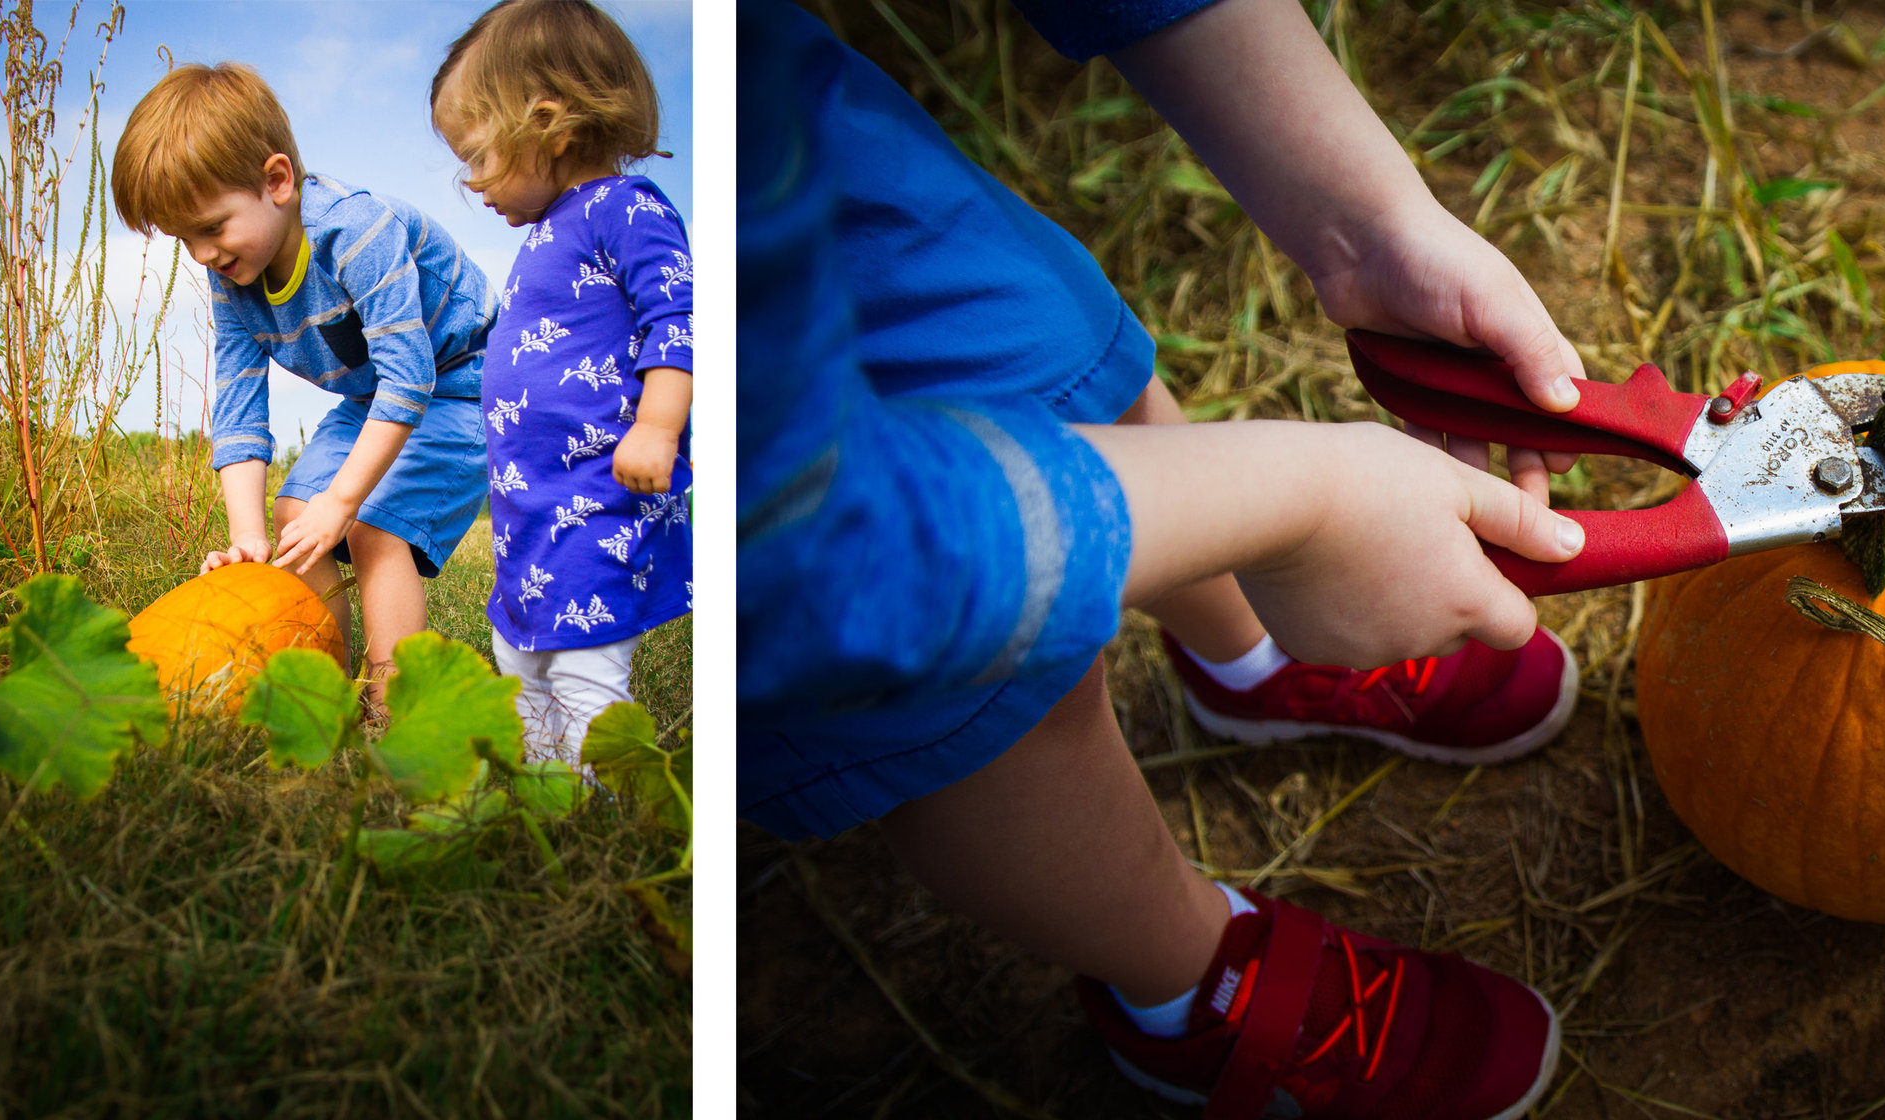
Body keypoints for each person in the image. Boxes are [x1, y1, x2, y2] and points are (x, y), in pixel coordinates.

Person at [747, 2, 1592, 1115]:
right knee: (972, 683)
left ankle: (1241, 658)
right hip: (775, 481)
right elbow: (840, 557)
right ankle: (1187, 984)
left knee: (1064, 366)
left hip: (793, 127)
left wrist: (1362, 218)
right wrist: (1305, 502)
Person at [112, 63, 492, 713]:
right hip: (374, 398)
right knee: (294, 519)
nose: (202, 254)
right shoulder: (233, 279)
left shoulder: (354, 232)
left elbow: (411, 376)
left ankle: (390, 704)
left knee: (372, 525)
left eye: (212, 227)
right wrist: (246, 538)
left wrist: (344, 499)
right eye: (185, 240)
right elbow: (238, 407)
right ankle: (323, 687)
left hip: (462, 383)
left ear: (277, 181)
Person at [431, 0, 694, 765]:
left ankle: (605, 808)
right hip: (531, 502)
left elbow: (680, 319)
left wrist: (658, 426)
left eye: (476, 155)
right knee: (521, 662)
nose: (471, 182)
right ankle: (551, 798)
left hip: (600, 489)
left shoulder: (623, 209)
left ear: (546, 121)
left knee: (584, 663)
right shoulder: (552, 229)